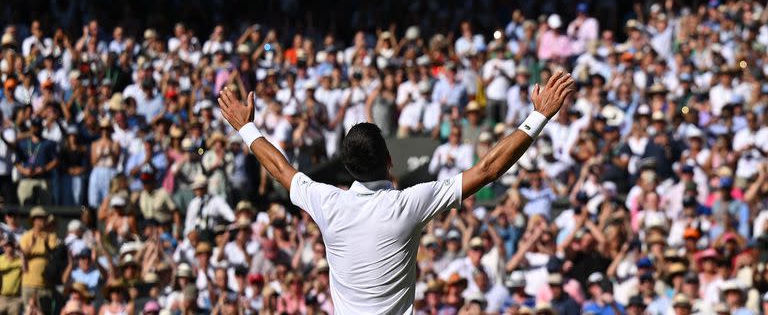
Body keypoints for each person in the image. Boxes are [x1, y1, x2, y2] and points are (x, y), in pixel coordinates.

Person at [216, 70, 575, 314]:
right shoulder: (409, 204)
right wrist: (538, 116)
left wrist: (246, 127)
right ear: (390, 161)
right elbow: (488, 169)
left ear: (348, 168)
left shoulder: (327, 202)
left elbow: (280, 169)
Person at [19, 207, 58, 314]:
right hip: (28, 283)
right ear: (33, 220)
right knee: (28, 312)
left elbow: (54, 255)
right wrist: (31, 245)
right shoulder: (26, 236)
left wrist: (45, 244)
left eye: (43, 218)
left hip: (45, 284)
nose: (42, 221)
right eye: (39, 218)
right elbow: (22, 256)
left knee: (44, 312)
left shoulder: (51, 236)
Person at [0, 236, 22, 315]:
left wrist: (20, 250)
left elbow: (26, 268)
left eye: (10, 245)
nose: (8, 248)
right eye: (6, 245)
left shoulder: (20, 259)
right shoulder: (0, 259)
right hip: (1, 297)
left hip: (15, 299)